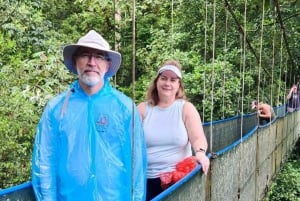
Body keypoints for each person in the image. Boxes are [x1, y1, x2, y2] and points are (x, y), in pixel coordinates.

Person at [31, 30, 147, 201]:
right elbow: (45, 162)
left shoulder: (125, 108)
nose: (92, 62)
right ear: (75, 61)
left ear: (107, 65)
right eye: (85, 55)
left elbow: (137, 166)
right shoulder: (56, 109)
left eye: (99, 56)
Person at [137, 59, 210, 201]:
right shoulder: (142, 109)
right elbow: (128, 142)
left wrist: (201, 153)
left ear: (178, 86)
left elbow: (198, 138)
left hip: (178, 181)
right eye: (163, 78)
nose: (167, 83)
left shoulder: (185, 108)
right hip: (146, 180)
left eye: (173, 80)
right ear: (156, 82)